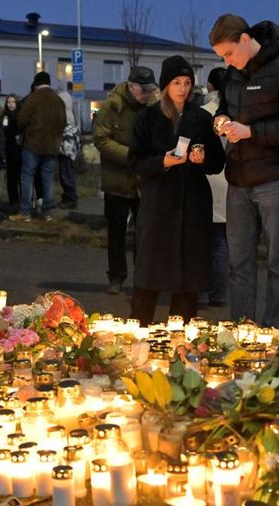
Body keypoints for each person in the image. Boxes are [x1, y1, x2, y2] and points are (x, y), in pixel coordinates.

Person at [209, 14, 279, 327]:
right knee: (238, 264)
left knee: (277, 263)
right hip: (239, 179)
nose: (228, 61)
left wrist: (251, 132)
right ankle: (241, 331)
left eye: (229, 53)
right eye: (222, 58)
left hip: (276, 180)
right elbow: (224, 109)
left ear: (244, 39)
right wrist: (220, 121)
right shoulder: (234, 73)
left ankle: (274, 333)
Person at [128, 56, 225, 324]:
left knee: (187, 275)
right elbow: (135, 162)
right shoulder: (147, 119)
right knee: (150, 271)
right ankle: (139, 329)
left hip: (192, 204)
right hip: (159, 204)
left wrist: (203, 158)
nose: (182, 88)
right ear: (165, 86)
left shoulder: (202, 118)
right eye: (176, 82)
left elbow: (218, 162)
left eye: (187, 82)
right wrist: (163, 161)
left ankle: (180, 335)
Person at [93, 66, 158, 295]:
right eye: (143, 90)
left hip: (144, 181)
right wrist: (131, 156)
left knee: (145, 233)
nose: (148, 95)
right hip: (117, 180)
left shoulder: (155, 105)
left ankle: (143, 278)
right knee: (116, 233)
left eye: (150, 90)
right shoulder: (110, 107)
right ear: (131, 86)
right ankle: (116, 276)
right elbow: (101, 140)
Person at [11, 71, 66, 222]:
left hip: (33, 144)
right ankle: (47, 212)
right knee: (48, 178)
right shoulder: (58, 100)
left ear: (36, 83)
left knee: (27, 176)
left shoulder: (32, 98)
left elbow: (21, 120)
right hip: (52, 145)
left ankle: (25, 212)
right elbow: (64, 122)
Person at [200, 67, 230, 306]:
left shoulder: (201, 114)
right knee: (221, 241)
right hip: (230, 182)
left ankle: (200, 290)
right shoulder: (236, 113)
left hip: (206, 181)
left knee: (202, 241)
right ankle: (219, 293)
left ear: (209, 86)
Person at [57, 81, 80, 209]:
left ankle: (70, 198)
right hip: (69, 150)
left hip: (66, 150)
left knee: (66, 174)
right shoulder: (71, 115)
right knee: (66, 173)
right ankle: (68, 197)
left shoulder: (65, 116)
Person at [1, 94, 23, 213]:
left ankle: (24, 200)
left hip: (19, 150)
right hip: (10, 150)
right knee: (11, 177)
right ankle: (13, 200)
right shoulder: (5, 117)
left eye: (13, 102)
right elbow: (4, 132)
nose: (10, 104)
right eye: (9, 102)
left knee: (21, 177)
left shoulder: (20, 116)